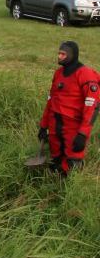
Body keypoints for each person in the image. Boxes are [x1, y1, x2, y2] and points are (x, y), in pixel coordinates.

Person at [39, 41, 100, 176]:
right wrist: (43, 126)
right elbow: (50, 101)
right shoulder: (58, 73)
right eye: (59, 53)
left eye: (63, 54)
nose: (59, 56)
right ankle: (55, 180)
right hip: (55, 123)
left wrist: (83, 134)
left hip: (73, 125)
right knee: (55, 157)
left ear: (73, 55)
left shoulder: (85, 74)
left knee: (73, 162)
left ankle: (72, 184)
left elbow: (92, 107)